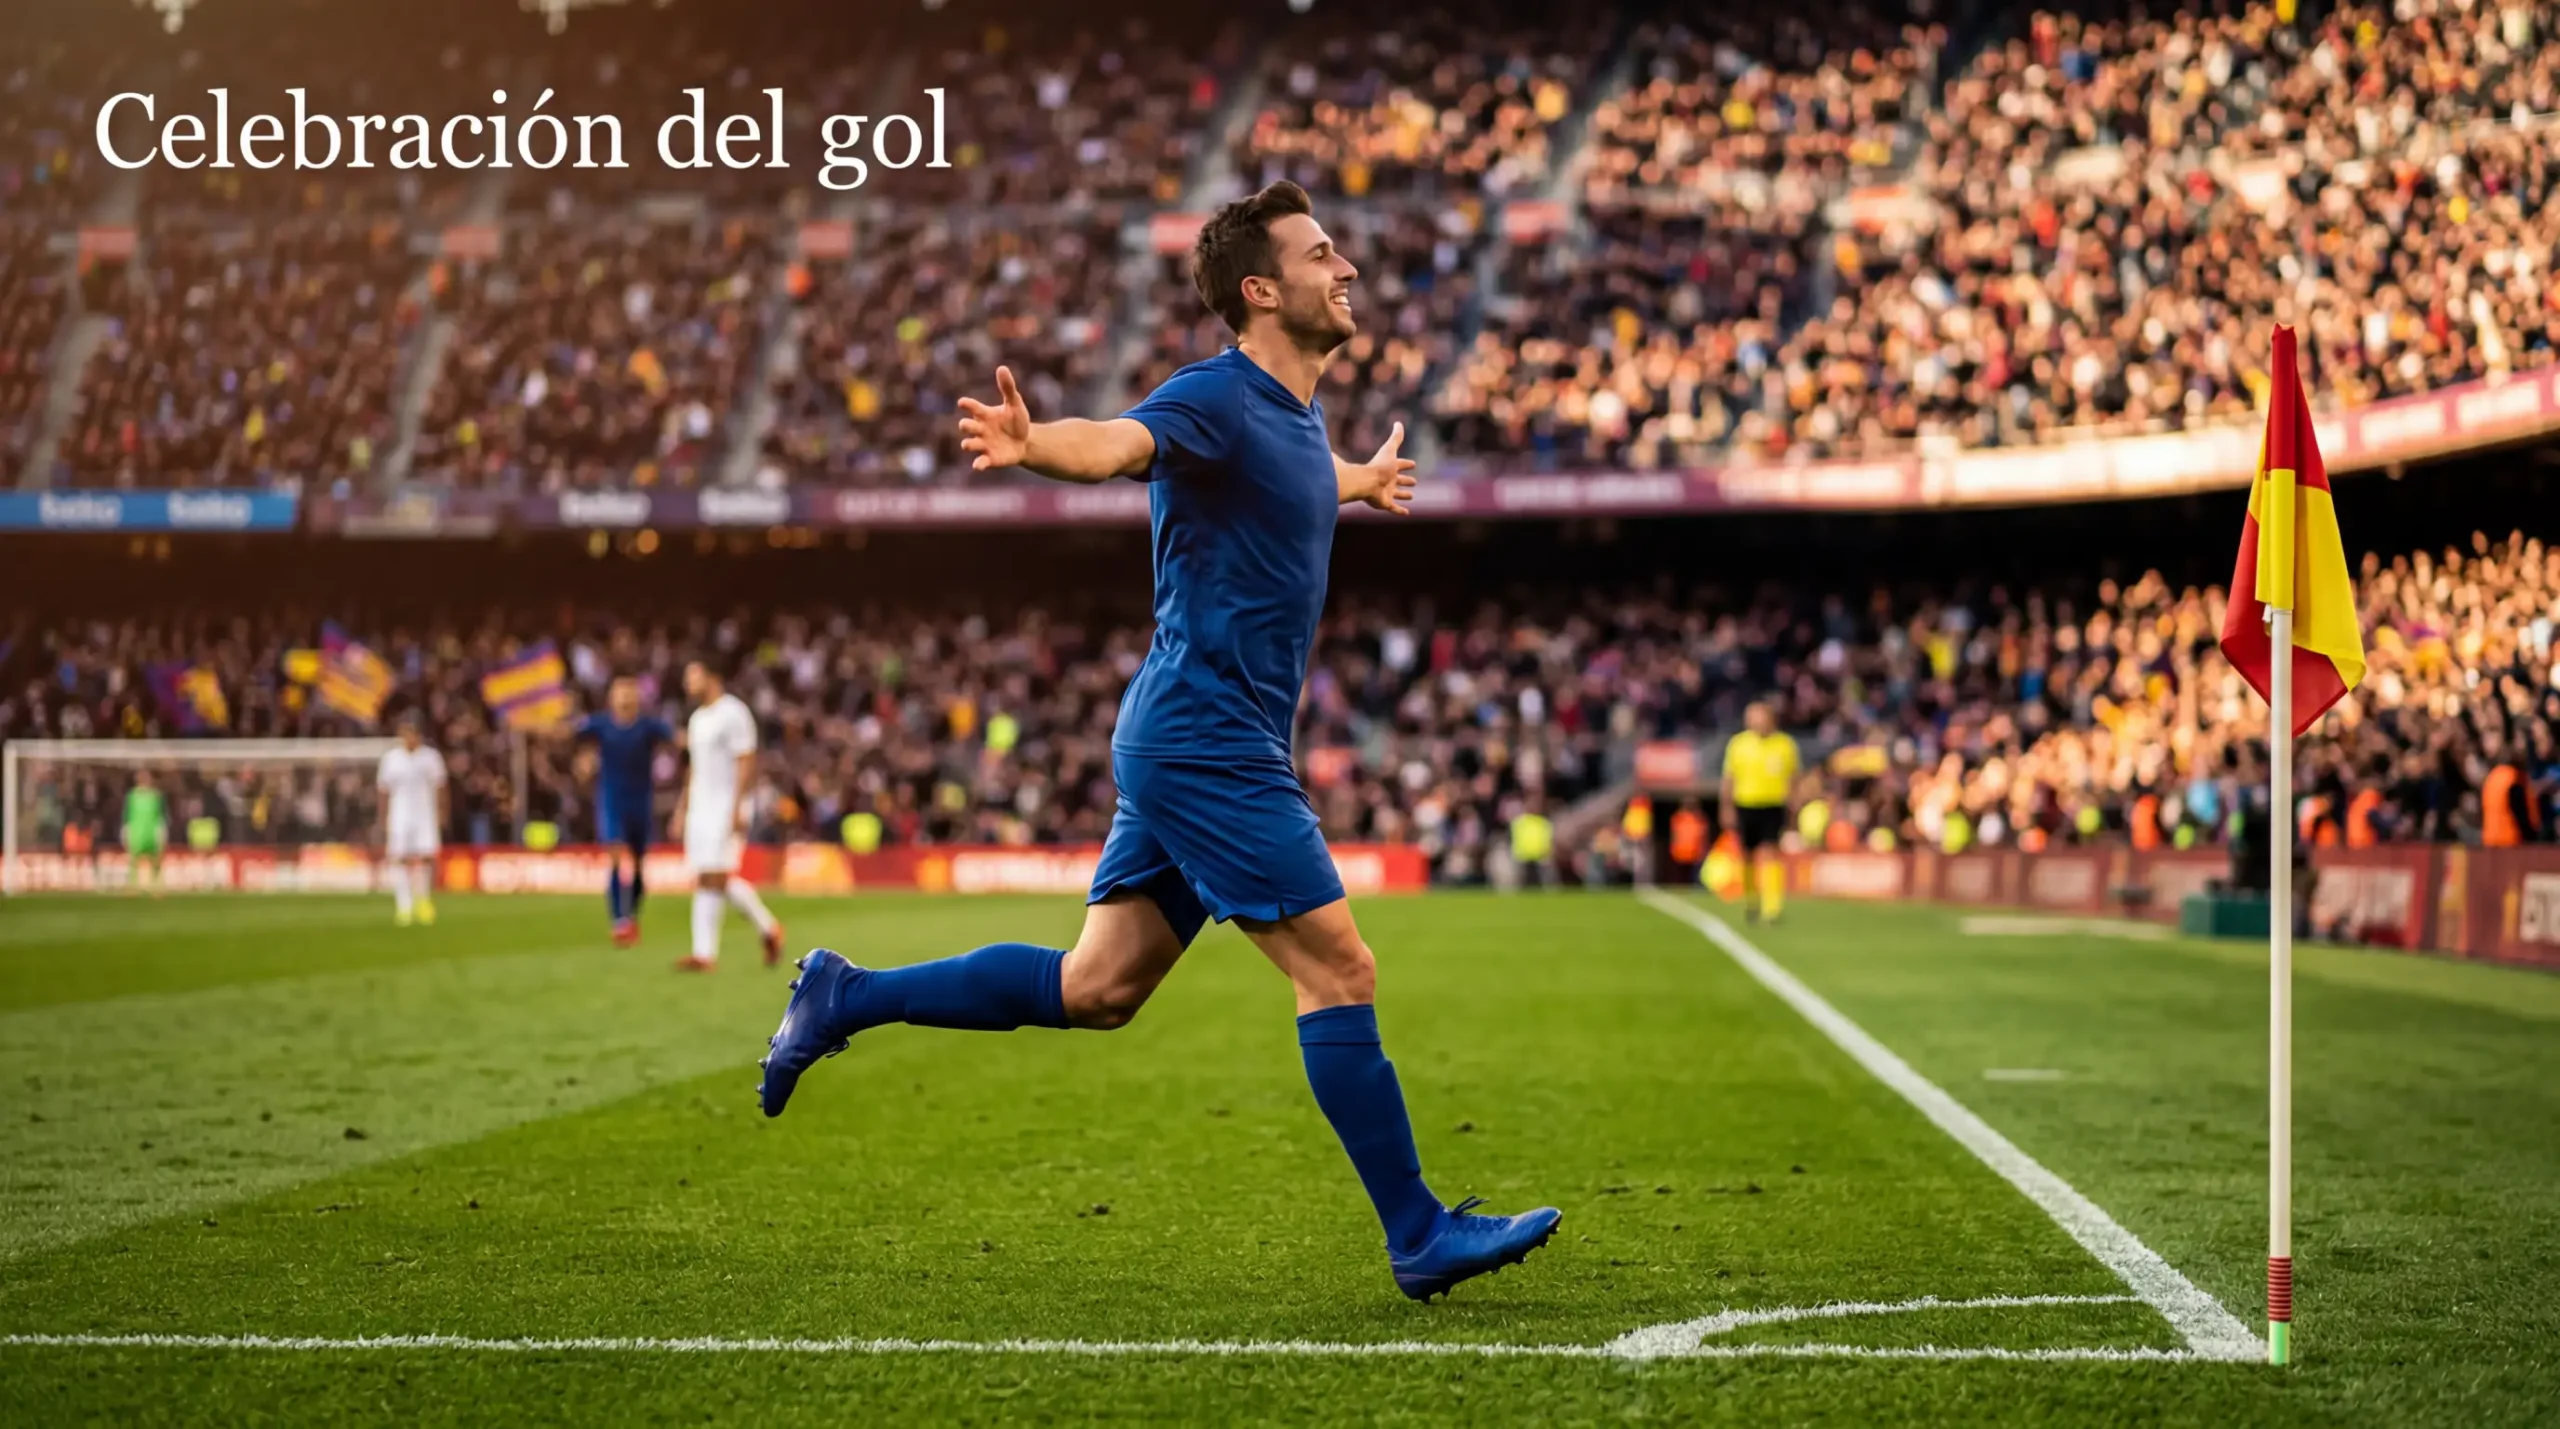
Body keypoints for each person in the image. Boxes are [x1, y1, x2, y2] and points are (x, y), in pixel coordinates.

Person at [756, 180, 1560, 1302]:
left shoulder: (1294, 420)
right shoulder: (1215, 395)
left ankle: (844, 994)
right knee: (1339, 968)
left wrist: (1361, 481)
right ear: (1260, 289)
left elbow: (1296, 479)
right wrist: (1036, 443)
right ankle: (1418, 1233)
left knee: (1098, 986)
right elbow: (1119, 443)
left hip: (1192, 736)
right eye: (1322, 254)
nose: (1347, 270)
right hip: (1205, 741)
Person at [672, 661, 783, 971]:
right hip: (700, 807)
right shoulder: (697, 719)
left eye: (693, 677)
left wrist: (738, 806)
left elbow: (746, 760)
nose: (688, 684)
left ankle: (712, 950)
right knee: (705, 876)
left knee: (717, 875)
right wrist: (682, 807)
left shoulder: (733, 712)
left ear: (713, 677)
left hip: (724, 805)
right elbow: (694, 767)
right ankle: (713, 950)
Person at [574, 677, 675, 946]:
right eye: (620, 693)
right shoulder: (600, 725)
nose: (625, 699)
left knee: (639, 863)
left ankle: (632, 915)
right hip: (612, 800)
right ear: (611, 698)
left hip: (641, 802)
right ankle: (620, 920)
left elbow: (676, 738)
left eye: (629, 693)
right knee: (617, 855)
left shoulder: (648, 727)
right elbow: (569, 733)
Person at [1720, 701, 1799, 923]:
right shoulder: (1738, 744)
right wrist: (1726, 806)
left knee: (1771, 852)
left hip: (1773, 803)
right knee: (1747, 854)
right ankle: (1751, 900)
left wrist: (1794, 805)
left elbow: (1793, 777)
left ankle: (1772, 907)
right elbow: (1729, 778)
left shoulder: (1785, 744)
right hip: (1746, 803)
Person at [376, 717, 448, 927]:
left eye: (411, 733)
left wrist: (442, 812)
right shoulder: (391, 758)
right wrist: (382, 817)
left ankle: (423, 900)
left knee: (425, 857)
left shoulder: (431, 757)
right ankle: (404, 905)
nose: (408, 737)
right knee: (399, 858)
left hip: (425, 814)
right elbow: (383, 790)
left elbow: (441, 786)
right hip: (399, 815)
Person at [121, 768, 167, 897]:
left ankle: (156, 885)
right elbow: (127, 815)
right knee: (133, 859)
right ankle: (133, 885)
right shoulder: (132, 796)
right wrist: (126, 831)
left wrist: (161, 831)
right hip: (136, 831)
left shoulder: (156, 796)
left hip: (151, 831)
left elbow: (161, 815)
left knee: (155, 858)